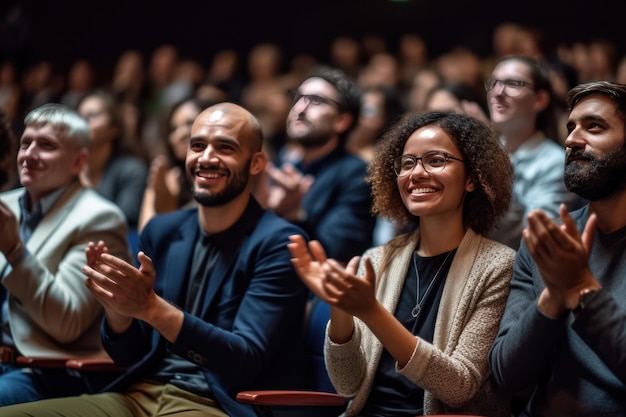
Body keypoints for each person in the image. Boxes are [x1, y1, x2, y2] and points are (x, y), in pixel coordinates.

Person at [0, 102, 310, 417]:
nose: (206, 158)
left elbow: (245, 359)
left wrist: (151, 308)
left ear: (256, 163)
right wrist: (119, 313)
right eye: (197, 146)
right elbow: (128, 354)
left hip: (218, 403)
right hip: (139, 393)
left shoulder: (279, 243)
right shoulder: (164, 231)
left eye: (225, 148)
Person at [288, 111, 516, 416]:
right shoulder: (378, 259)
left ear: (472, 178)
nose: (416, 173)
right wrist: (340, 309)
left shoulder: (498, 266)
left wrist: (371, 312)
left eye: (436, 160)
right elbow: (348, 385)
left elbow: (459, 387)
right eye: (407, 164)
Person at [489, 81, 626, 416]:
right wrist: (552, 297)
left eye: (594, 127)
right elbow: (506, 373)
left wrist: (582, 289)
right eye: (570, 127)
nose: (571, 140)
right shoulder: (546, 243)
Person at [0, 103, 131, 406]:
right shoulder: (6, 204)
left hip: (45, 371)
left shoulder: (98, 218)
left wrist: (15, 251)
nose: (29, 154)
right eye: (25, 143)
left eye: (46, 146)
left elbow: (67, 323)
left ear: (79, 161)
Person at [261, 66, 376, 264]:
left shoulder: (357, 174)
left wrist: (294, 215)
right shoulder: (285, 166)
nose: (300, 109)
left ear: (341, 121)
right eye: (298, 97)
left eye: (316, 101)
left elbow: (338, 251)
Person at [485, 54, 584, 249]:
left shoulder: (554, 164)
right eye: (493, 83)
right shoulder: (488, 150)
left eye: (513, 83)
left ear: (539, 99)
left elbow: (530, 239)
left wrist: (490, 164)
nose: (497, 92)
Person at [78, 90, 149, 232]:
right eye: (79, 117)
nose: (82, 122)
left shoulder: (132, 169)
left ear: (113, 129)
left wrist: (86, 188)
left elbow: (124, 219)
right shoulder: (69, 168)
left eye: (91, 116)